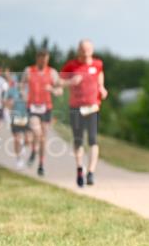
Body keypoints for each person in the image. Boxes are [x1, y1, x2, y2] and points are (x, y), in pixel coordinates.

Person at [61, 39, 107, 187]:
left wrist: (102, 88)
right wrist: (70, 82)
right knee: (78, 140)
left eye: (88, 49)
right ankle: (80, 168)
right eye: (83, 49)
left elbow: (100, 76)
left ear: (92, 50)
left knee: (93, 139)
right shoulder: (71, 65)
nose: (86, 52)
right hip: (76, 107)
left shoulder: (97, 64)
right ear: (78, 50)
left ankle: (91, 172)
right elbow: (59, 82)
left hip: (93, 106)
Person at [24, 50, 63, 176]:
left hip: (46, 108)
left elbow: (59, 91)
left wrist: (52, 89)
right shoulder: (29, 71)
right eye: (42, 59)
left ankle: (41, 164)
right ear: (37, 58)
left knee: (43, 138)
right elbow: (21, 86)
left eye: (46, 60)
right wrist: (23, 94)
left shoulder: (52, 73)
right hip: (32, 107)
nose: (44, 62)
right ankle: (34, 150)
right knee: (36, 131)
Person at [5, 73, 30, 167]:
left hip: (26, 117)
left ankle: (23, 145)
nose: (20, 84)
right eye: (18, 82)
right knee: (17, 139)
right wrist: (10, 103)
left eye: (22, 82)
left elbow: (31, 103)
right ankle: (18, 159)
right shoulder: (11, 91)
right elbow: (7, 105)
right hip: (15, 117)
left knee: (28, 140)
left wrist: (26, 98)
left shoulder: (28, 91)